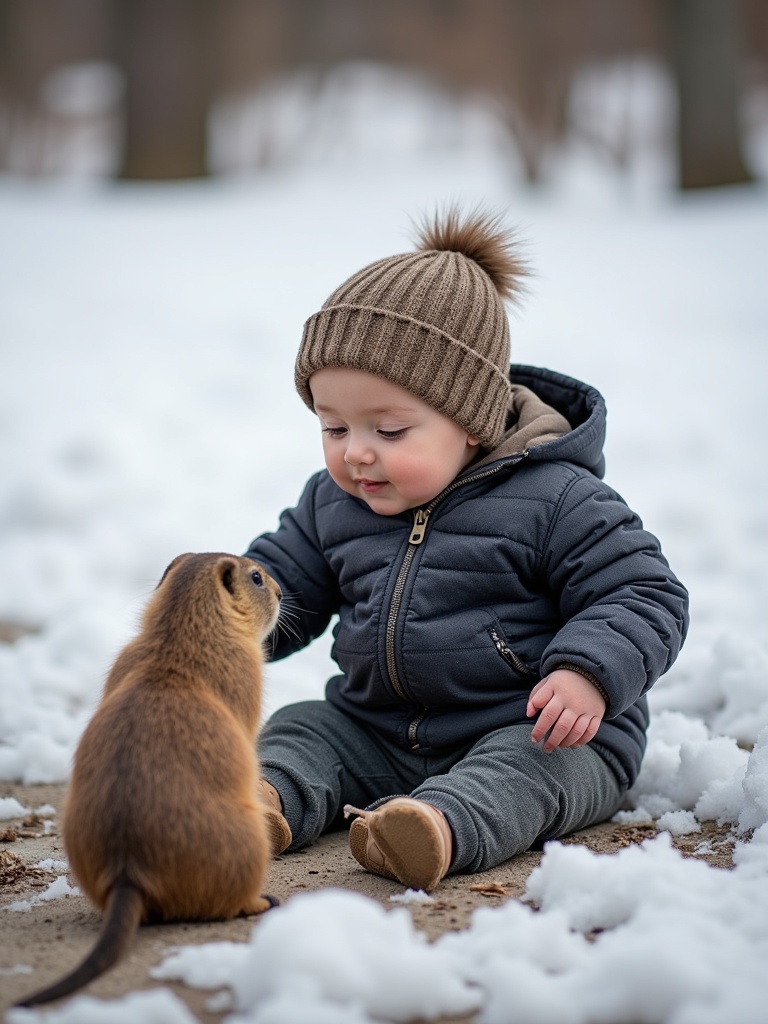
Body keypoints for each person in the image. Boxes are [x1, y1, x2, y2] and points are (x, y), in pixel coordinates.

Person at [245, 207, 689, 891]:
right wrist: (225, 620)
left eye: (389, 430)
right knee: (303, 727)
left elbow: (643, 592)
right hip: (380, 732)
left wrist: (589, 674)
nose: (356, 452)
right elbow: (285, 586)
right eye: (333, 426)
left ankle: (434, 830)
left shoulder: (556, 499)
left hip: (543, 733)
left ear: (473, 422)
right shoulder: (333, 502)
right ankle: (257, 806)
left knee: (524, 771)